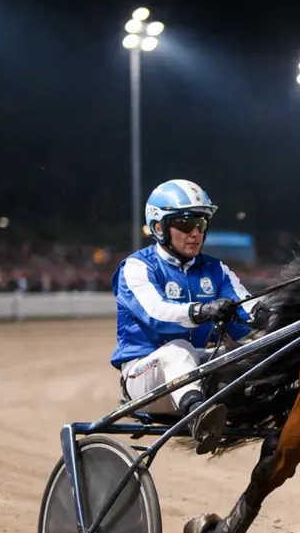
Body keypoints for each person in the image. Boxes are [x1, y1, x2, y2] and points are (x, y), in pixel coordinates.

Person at [110, 179, 260, 454]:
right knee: (179, 351)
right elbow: (156, 314)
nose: (195, 233)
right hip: (145, 381)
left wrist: (271, 312)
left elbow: (247, 311)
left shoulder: (217, 269)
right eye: (185, 224)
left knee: (251, 350)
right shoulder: (136, 268)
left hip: (200, 372)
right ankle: (199, 416)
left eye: (201, 224)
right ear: (158, 227)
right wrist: (201, 311)